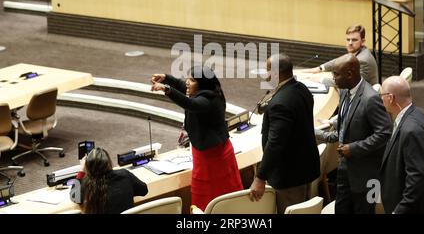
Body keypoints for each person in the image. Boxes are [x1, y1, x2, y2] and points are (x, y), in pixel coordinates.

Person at [151, 66, 243, 211]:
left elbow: (190, 104)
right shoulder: (206, 91)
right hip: (205, 154)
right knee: (205, 202)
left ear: (201, 84)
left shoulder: (209, 101)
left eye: (192, 80)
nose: (187, 82)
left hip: (216, 158)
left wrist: (167, 89)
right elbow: (185, 88)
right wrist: (167, 78)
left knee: (222, 200)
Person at [315, 54, 391, 214]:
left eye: (336, 74)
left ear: (349, 74)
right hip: (344, 170)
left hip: (366, 175)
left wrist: (355, 148)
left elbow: (384, 133)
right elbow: (344, 129)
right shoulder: (344, 92)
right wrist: (314, 132)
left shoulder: (370, 99)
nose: (333, 78)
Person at [249, 54, 320, 214]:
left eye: (267, 70)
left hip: (290, 176)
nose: (265, 74)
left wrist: (260, 177)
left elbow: (275, 144)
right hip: (306, 167)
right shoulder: (302, 89)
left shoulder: (280, 103)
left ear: (275, 73)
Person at [379, 76, 424, 214]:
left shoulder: (411, 130)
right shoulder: (420, 113)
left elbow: (417, 178)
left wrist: (400, 210)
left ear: (390, 98)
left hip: (417, 208)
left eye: (381, 95)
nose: (380, 99)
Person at [70, 147, 148, 214]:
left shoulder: (86, 184)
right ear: (109, 163)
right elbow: (144, 190)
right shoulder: (124, 174)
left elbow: (74, 197)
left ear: (87, 166)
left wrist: (81, 170)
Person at [300, 24, 378, 85]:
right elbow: (337, 61)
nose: (350, 43)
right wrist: (319, 68)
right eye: (348, 39)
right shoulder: (358, 51)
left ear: (363, 41)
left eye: (354, 40)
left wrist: (321, 79)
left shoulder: (363, 60)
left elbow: (350, 83)